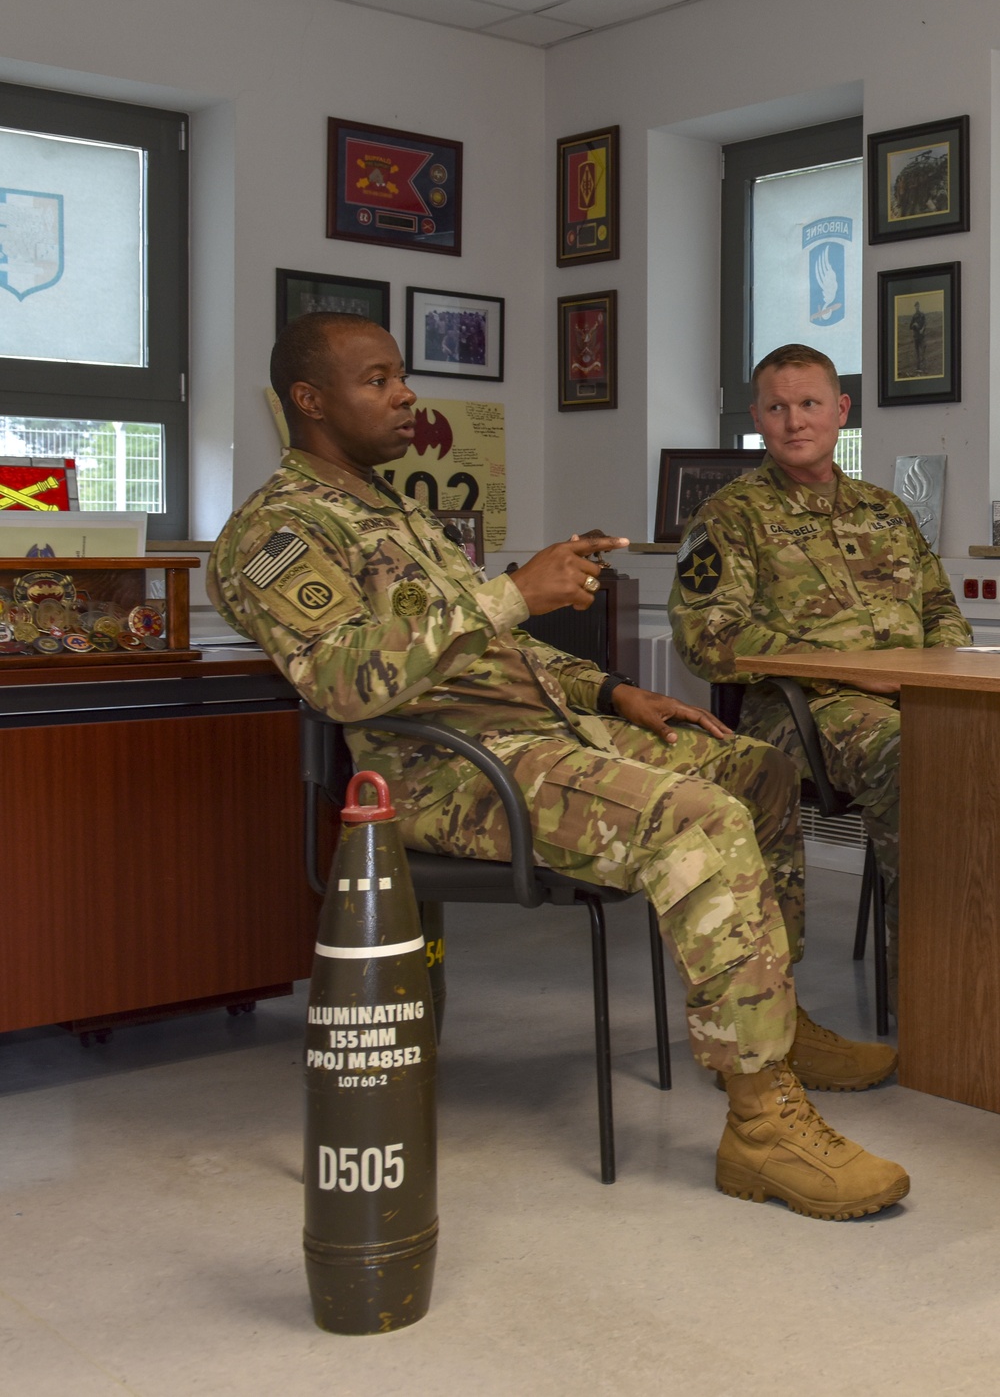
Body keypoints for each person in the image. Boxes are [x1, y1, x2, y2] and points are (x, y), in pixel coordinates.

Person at [208, 314, 908, 1220]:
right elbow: (344, 680)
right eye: (377, 380)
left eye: (400, 376)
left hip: (545, 734)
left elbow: (496, 655)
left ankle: (776, 1024)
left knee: (758, 770)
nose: (405, 395)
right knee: (698, 819)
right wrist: (510, 593)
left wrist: (616, 692)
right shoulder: (272, 535)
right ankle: (763, 1124)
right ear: (308, 401)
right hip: (447, 774)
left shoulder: (397, 512)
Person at [668, 342, 971, 1011]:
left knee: (967, 748)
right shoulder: (728, 518)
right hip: (800, 713)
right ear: (757, 417)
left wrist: (939, 674)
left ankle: (978, 963)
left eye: (809, 405)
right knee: (918, 759)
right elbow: (706, 636)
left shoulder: (887, 512)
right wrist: (854, 675)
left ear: (840, 412)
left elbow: (942, 612)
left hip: (913, 700)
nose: (795, 421)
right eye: (777, 408)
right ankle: (936, 999)